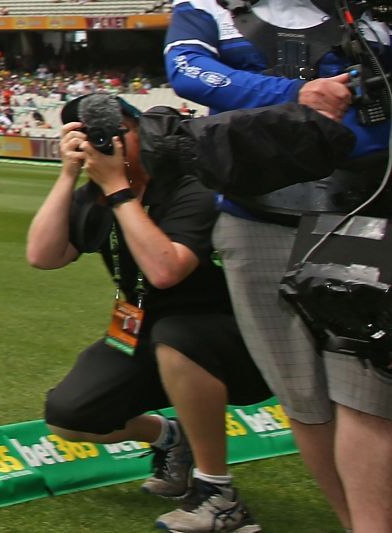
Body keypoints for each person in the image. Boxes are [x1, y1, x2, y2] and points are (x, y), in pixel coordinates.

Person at [164, 0, 392, 532]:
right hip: (255, 214)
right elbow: (188, 70)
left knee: (365, 391)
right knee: (303, 395)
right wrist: (296, 97)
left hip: (355, 208)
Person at [27, 96, 270, 532]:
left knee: (178, 337)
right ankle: (171, 438)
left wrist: (120, 190)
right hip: (140, 328)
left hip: (231, 337)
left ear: (144, 132)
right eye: (88, 133)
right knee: (69, 414)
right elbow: (43, 256)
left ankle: (219, 495)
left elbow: (165, 271)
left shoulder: (188, 186)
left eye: (116, 129)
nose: (104, 142)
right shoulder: (92, 198)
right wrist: (67, 175)